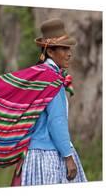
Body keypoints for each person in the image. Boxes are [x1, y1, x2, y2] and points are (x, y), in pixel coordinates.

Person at [20, 18, 87, 186]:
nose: (69, 53)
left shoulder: (38, 76)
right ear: (50, 52)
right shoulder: (53, 80)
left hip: (34, 154)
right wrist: (68, 156)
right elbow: (56, 121)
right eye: (64, 48)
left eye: (69, 48)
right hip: (51, 155)